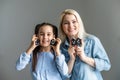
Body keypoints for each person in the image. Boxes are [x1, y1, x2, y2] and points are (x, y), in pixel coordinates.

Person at [59, 9, 111, 80]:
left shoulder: (92, 40)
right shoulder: (61, 48)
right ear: (62, 26)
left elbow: (106, 65)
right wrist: (72, 59)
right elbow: (64, 75)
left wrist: (84, 58)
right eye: (66, 23)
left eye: (74, 22)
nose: (71, 26)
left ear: (79, 23)